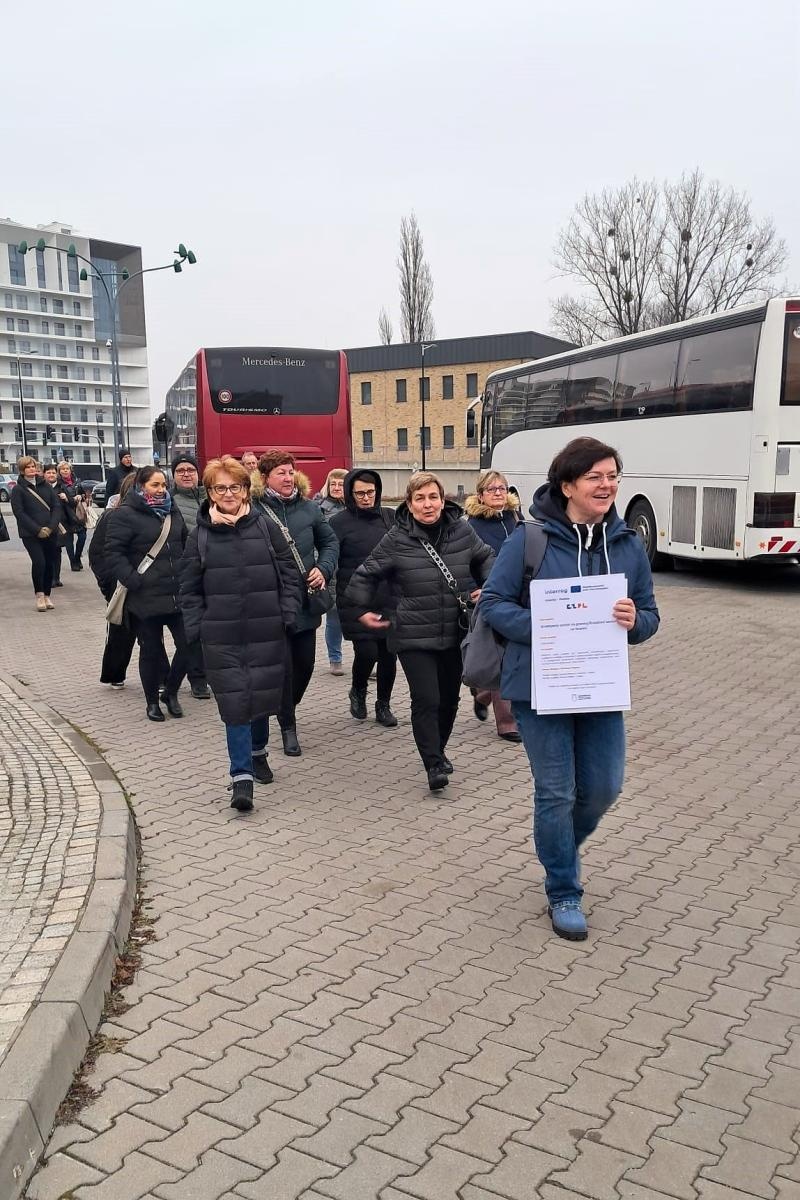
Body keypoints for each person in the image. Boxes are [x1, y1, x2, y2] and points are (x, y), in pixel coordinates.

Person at [480, 437, 660, 941]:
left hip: (599, 685)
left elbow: (650, 616)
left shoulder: (626, 545)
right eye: (595, 477)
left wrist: (634, 620)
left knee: (604, 787)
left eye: (613, 475)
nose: (608, 485)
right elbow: (492, 603)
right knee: (556, 792)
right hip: (540, 686)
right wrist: (549, 627)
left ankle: (559, 847)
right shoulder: (529, 539)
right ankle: (563, 888)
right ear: (567, 485)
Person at [346, 470, 494, 791]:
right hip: (412, 633)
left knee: (449, 701)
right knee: (426, 698)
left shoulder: (462, 532)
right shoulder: (397, 538)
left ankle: (438, 749)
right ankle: (432, 763)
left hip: (455, 631)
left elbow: (486, 559)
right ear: (410, 505)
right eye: (420, 498)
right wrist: (363, 609)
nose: (428, 504)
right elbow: (364, 575)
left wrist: (490, 587)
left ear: (443, 500)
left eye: (433, 497)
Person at [180, 457, 303, 811]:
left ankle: (259, 750)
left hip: (267, 630)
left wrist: (288, 613)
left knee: (261, 699)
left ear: (246, 489)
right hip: (221, 636)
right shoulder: (199, 535)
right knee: (235, 704)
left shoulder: (266, 526)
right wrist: (197, 627)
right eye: (220, 487)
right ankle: (241, 778)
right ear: (210, 493)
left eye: (235, 486)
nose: (229, 493)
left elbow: (289, 574)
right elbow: (188, 588)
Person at [255, 450, 339, 756]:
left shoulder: (309, 509)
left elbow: (329, 542)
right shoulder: (254, 509)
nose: (288, 478)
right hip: (271, 602)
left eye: (291, 472)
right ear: (265, 478)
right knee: (285, 668)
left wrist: (324, 568)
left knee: (305, 666)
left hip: (305, 601)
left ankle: (285, 706)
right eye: (280, 473)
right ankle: (288, 727)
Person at [105, 465, 189, 722]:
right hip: (144, 595)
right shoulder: (124, 515)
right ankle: (152, 701)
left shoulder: (172, 511)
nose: (161, 490)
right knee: (151, 651)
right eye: (155, 485)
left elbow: (185, 544)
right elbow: (113, 553)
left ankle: (171, 691)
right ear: (141, 486)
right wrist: (133, 580)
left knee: (190, 646)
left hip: (176, 593)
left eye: (164, 485)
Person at [330, 469, 398, 727]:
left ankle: (384, 704)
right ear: (350, 493)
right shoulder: (339, 523)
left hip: (388, 596)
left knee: (389, 653)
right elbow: (331, 559)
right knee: (367, 651)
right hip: (355, 597)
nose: (366, 498)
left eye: (371, 492)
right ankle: (358, 690)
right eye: (360, 493)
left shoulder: (390, 518)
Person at [465, 469, 523, 743]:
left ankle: (483, 692)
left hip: (518, 596)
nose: (499, 493)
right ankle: (508, 722)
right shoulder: (471, 525)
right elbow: (461, 561)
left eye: (503, 488)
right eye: (492, 489)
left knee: (510, 655)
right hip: (487, 598)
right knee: (500, 655)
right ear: (480, 495)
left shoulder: (516, 519)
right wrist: (470, 590)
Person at [169, 453, 211, 699]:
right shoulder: (171, 501)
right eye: (181, 470)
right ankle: (198, 679)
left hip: (216, 572)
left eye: (191, 469)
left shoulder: (211, 496)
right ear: (174, 476)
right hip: (188, 574)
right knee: (192, 631)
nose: (186, 474)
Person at [11, 456, 61, 611]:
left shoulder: (45, 485)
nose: (32, 469)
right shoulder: (18, 489)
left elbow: (56, 506)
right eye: (28, 467)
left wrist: (51, 527)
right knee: (39, 562)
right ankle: (39, 595)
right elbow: (19, 513)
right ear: (22, 470)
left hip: (50, 532)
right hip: (31, 534)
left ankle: (47, 595)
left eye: (34, 466)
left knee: (50, 563)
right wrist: (37, 529)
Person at [315, 468, 347, 674]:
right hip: (331, 569)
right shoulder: (318, 508)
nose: (336, 488)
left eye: (341, 484)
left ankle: (367, 658)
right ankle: (335, 658)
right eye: (333, 484)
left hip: (352, 567)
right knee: (334, 616)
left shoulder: (356, 508)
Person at [55, 460, 88, 572]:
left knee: (82, 536)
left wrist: (80, 496)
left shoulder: (77, 481)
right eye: (62, 469)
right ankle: (73, 562)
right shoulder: (58, 484)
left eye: (67, 468)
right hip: (66, 514)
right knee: (69, 540)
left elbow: (84, 494)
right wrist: (64, 498)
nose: (65, 471)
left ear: (70, 470)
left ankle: (77, 557)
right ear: (59, 471)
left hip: (78, 513)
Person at [41, 464, 66, 587]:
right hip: (45, 524)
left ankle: (56, 577)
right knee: (47, 552)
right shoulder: (39, 488)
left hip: (59, 524)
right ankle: (49, 577)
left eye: (53, 473)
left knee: (57, 551)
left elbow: (71, 504)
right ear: (44, 474)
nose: (51, 475)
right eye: (48, 473)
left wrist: (66, 498)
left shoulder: (62, 487)